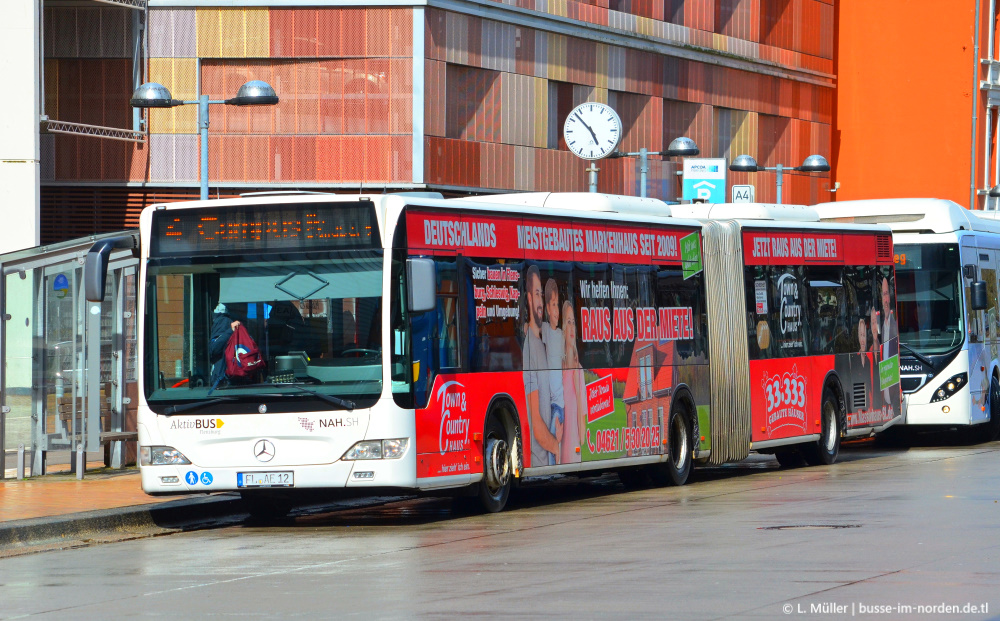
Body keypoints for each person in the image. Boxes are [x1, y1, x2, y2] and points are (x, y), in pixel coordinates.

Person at [523, 265, 560, 467]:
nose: (540, 302)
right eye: (536, 294)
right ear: (529, 299)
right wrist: (557, 446)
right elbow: (536, 425)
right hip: (541, 461)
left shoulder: (544, 338)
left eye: (541, 294)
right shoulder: (529, 348)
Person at [541, 278, 566, 465]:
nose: (556, 310)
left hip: (558, 404)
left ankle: (552, 469)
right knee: (550, 440)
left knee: (552, 441)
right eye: (553, 305)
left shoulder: (560, 335)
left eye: (558, 305)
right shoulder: (545, 331)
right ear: (547, 309)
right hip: (548, 403)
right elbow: (529, 328)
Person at [561, 301, 586, 464]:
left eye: (573, 322)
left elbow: (582, 436)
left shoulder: (579, 370)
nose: (571, 327)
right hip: (558, 453)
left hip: (573, 451)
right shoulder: (556, 368)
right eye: (567, 322)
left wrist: (577, 388)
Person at [209, 303, 241, 389]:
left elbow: (214, 348)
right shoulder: (227, 320)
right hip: (233, 379)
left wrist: (230, 331)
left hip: (223, 381)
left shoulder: (222, 320)